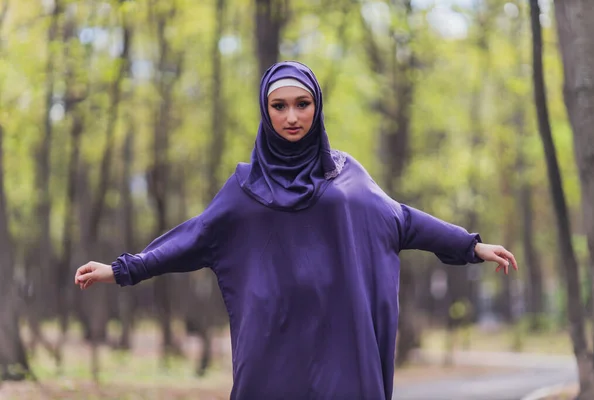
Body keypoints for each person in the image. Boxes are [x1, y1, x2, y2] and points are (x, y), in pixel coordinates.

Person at [74, 61, 518, 400]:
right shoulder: (245, 187)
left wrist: (471, 246)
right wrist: (121, 269)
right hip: (272, 346)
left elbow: (402, 220)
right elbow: (194, 237)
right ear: (265, 110)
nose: (292, 117)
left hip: (341, 344)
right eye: (279, 105)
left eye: (302, 104)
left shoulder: (347, 178)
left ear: (317, 107)